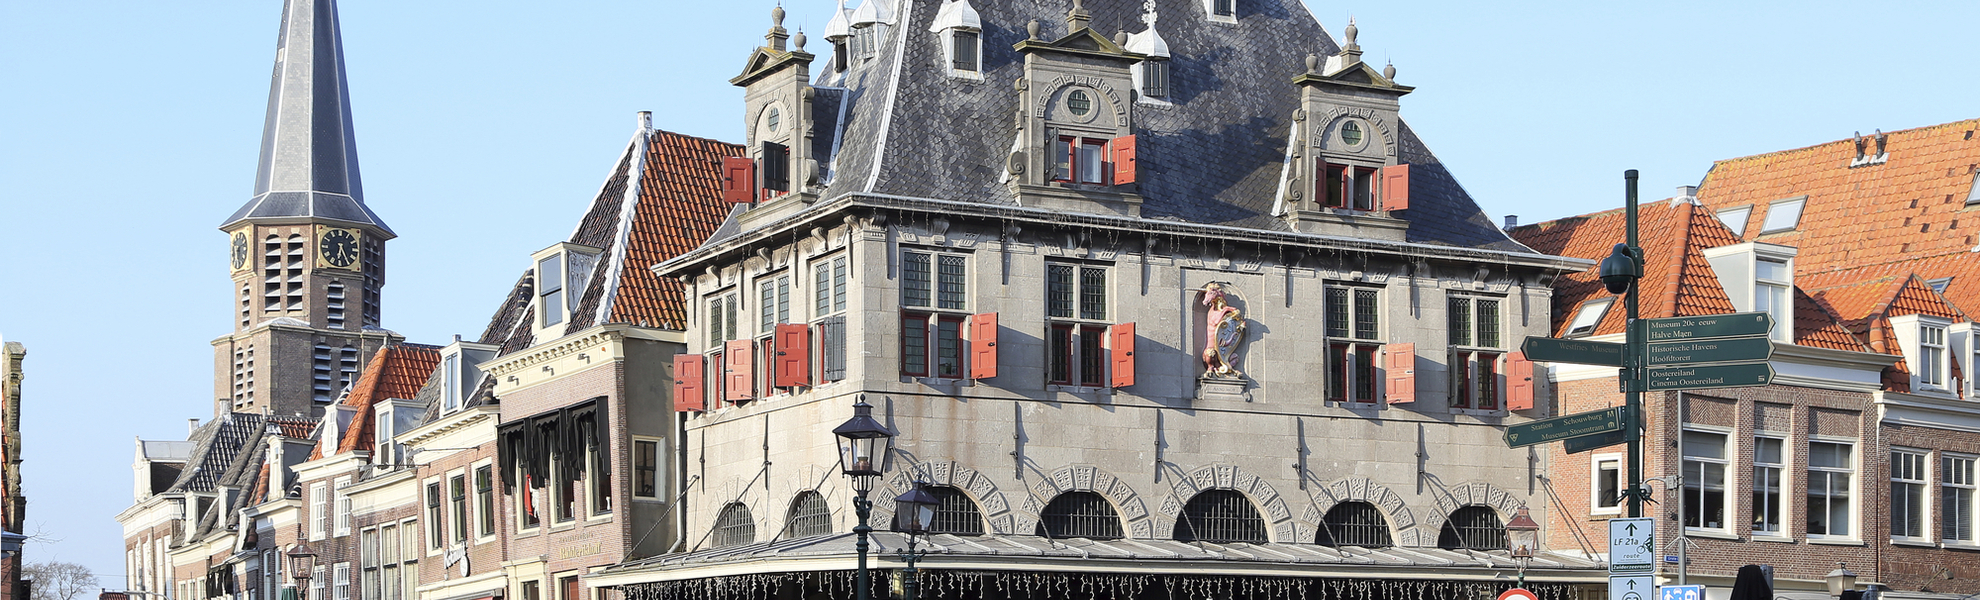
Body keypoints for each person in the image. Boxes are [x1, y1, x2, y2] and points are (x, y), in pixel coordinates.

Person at [1201, 283, 1246, 377]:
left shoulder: (1223, 312)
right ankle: (1211, 367)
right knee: (1210, 354)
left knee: (1235, 357)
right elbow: (1216, 321)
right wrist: (1227, 309)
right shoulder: (1213, 311)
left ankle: (1225, 367)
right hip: (1210, 351)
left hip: (1222, 350)